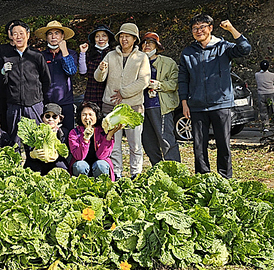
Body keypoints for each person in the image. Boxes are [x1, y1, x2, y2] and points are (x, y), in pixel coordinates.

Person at [178, 14, 252, 178]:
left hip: (221, 104)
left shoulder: (223, 47)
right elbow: (183, 78)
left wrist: (231, 29)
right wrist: (184, 102)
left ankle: (225, 178)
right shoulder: (188, 52)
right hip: (197, 105)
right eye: (195, 28)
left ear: (210, 28)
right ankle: (203, 178)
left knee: (223, 144)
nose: (199, 31)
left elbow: (245, 49)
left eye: (202, 27)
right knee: (199, 146)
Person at [94, 22, 150, 178]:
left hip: (133, 107)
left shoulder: (142, 57)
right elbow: (99, 78)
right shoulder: (111, 55)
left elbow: (144, 81)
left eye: (128, 37)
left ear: (134, 39)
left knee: (135, 144)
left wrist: (123, 93)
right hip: (111, 106)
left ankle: (136, 174)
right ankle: (117, 173)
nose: (124, 39)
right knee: (114, 143)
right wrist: (101, 69)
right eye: (122, 36)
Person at [0, 20, 51, 136]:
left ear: (28, 35)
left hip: (34, 104)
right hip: (14, 105)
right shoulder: (6, 57)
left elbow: (46, 80)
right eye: (15, 34)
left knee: (35, 140)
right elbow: (1, 82)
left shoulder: (37, 56)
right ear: (11, 36)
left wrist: (38, 97)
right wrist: (3, 72)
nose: (18, 37)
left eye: (21, 33)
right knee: (14, 141)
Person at [141, 32, 181, 164]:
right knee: (148, 142)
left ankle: (174, 169)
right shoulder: (137, 61)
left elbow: (175, 83)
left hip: (161, 106)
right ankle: (157, 169)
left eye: (150, 43)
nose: (147, 46)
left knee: (166, 140)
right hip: (140, 107)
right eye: (144, 43)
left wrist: (159, 85)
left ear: (157, 46)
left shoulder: (168, 62)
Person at [35, 20, 78, 133]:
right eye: (50, 33)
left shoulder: (71, 53)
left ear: (62, 36)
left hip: (65, 101)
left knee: (68, 133)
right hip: (46, 101)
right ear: (46, 37)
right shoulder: (41, 56)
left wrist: (64, 50)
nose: (53, 36)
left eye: (57, 33)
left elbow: (71, 71)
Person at [68, 101, 116, 180]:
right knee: (80, 165)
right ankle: (82, 188)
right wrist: (85, 139)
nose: (87, 118)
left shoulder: (104, 131)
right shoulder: (74, 133)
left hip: (98, 166)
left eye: (90, 115)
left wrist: (109, 136)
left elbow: (102, 156)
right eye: (84, 115)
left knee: (101, 165)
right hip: (83, 166)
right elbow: (79, 157)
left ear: (97, 116)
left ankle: (101, 187)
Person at [24, 102, 69, 175]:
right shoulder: (34, 132)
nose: (51, 119)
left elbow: (67, 153)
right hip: (38, 161)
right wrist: (33, 154)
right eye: (47, 116)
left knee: (61, 168)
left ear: (59, 119)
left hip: (55, 162)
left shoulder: (64, 133)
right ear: (42, 118)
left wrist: (58, 155)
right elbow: (28, 150)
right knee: (31, 169)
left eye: (54, 117)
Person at [78, 25, 115, 106]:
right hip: (92, 92)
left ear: (108, 38)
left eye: (104, 36)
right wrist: (83, 53)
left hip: (108, 93)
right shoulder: (90, 53)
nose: (101, 39)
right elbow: (83, 72)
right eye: (97, 36)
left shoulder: (114, 54)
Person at [255, 60, 274, 132]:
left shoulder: (257, 75)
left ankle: (266, 126)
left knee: (263, 111)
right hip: (271, 93)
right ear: (268, 67)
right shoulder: (273, 75)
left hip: (261, 94)